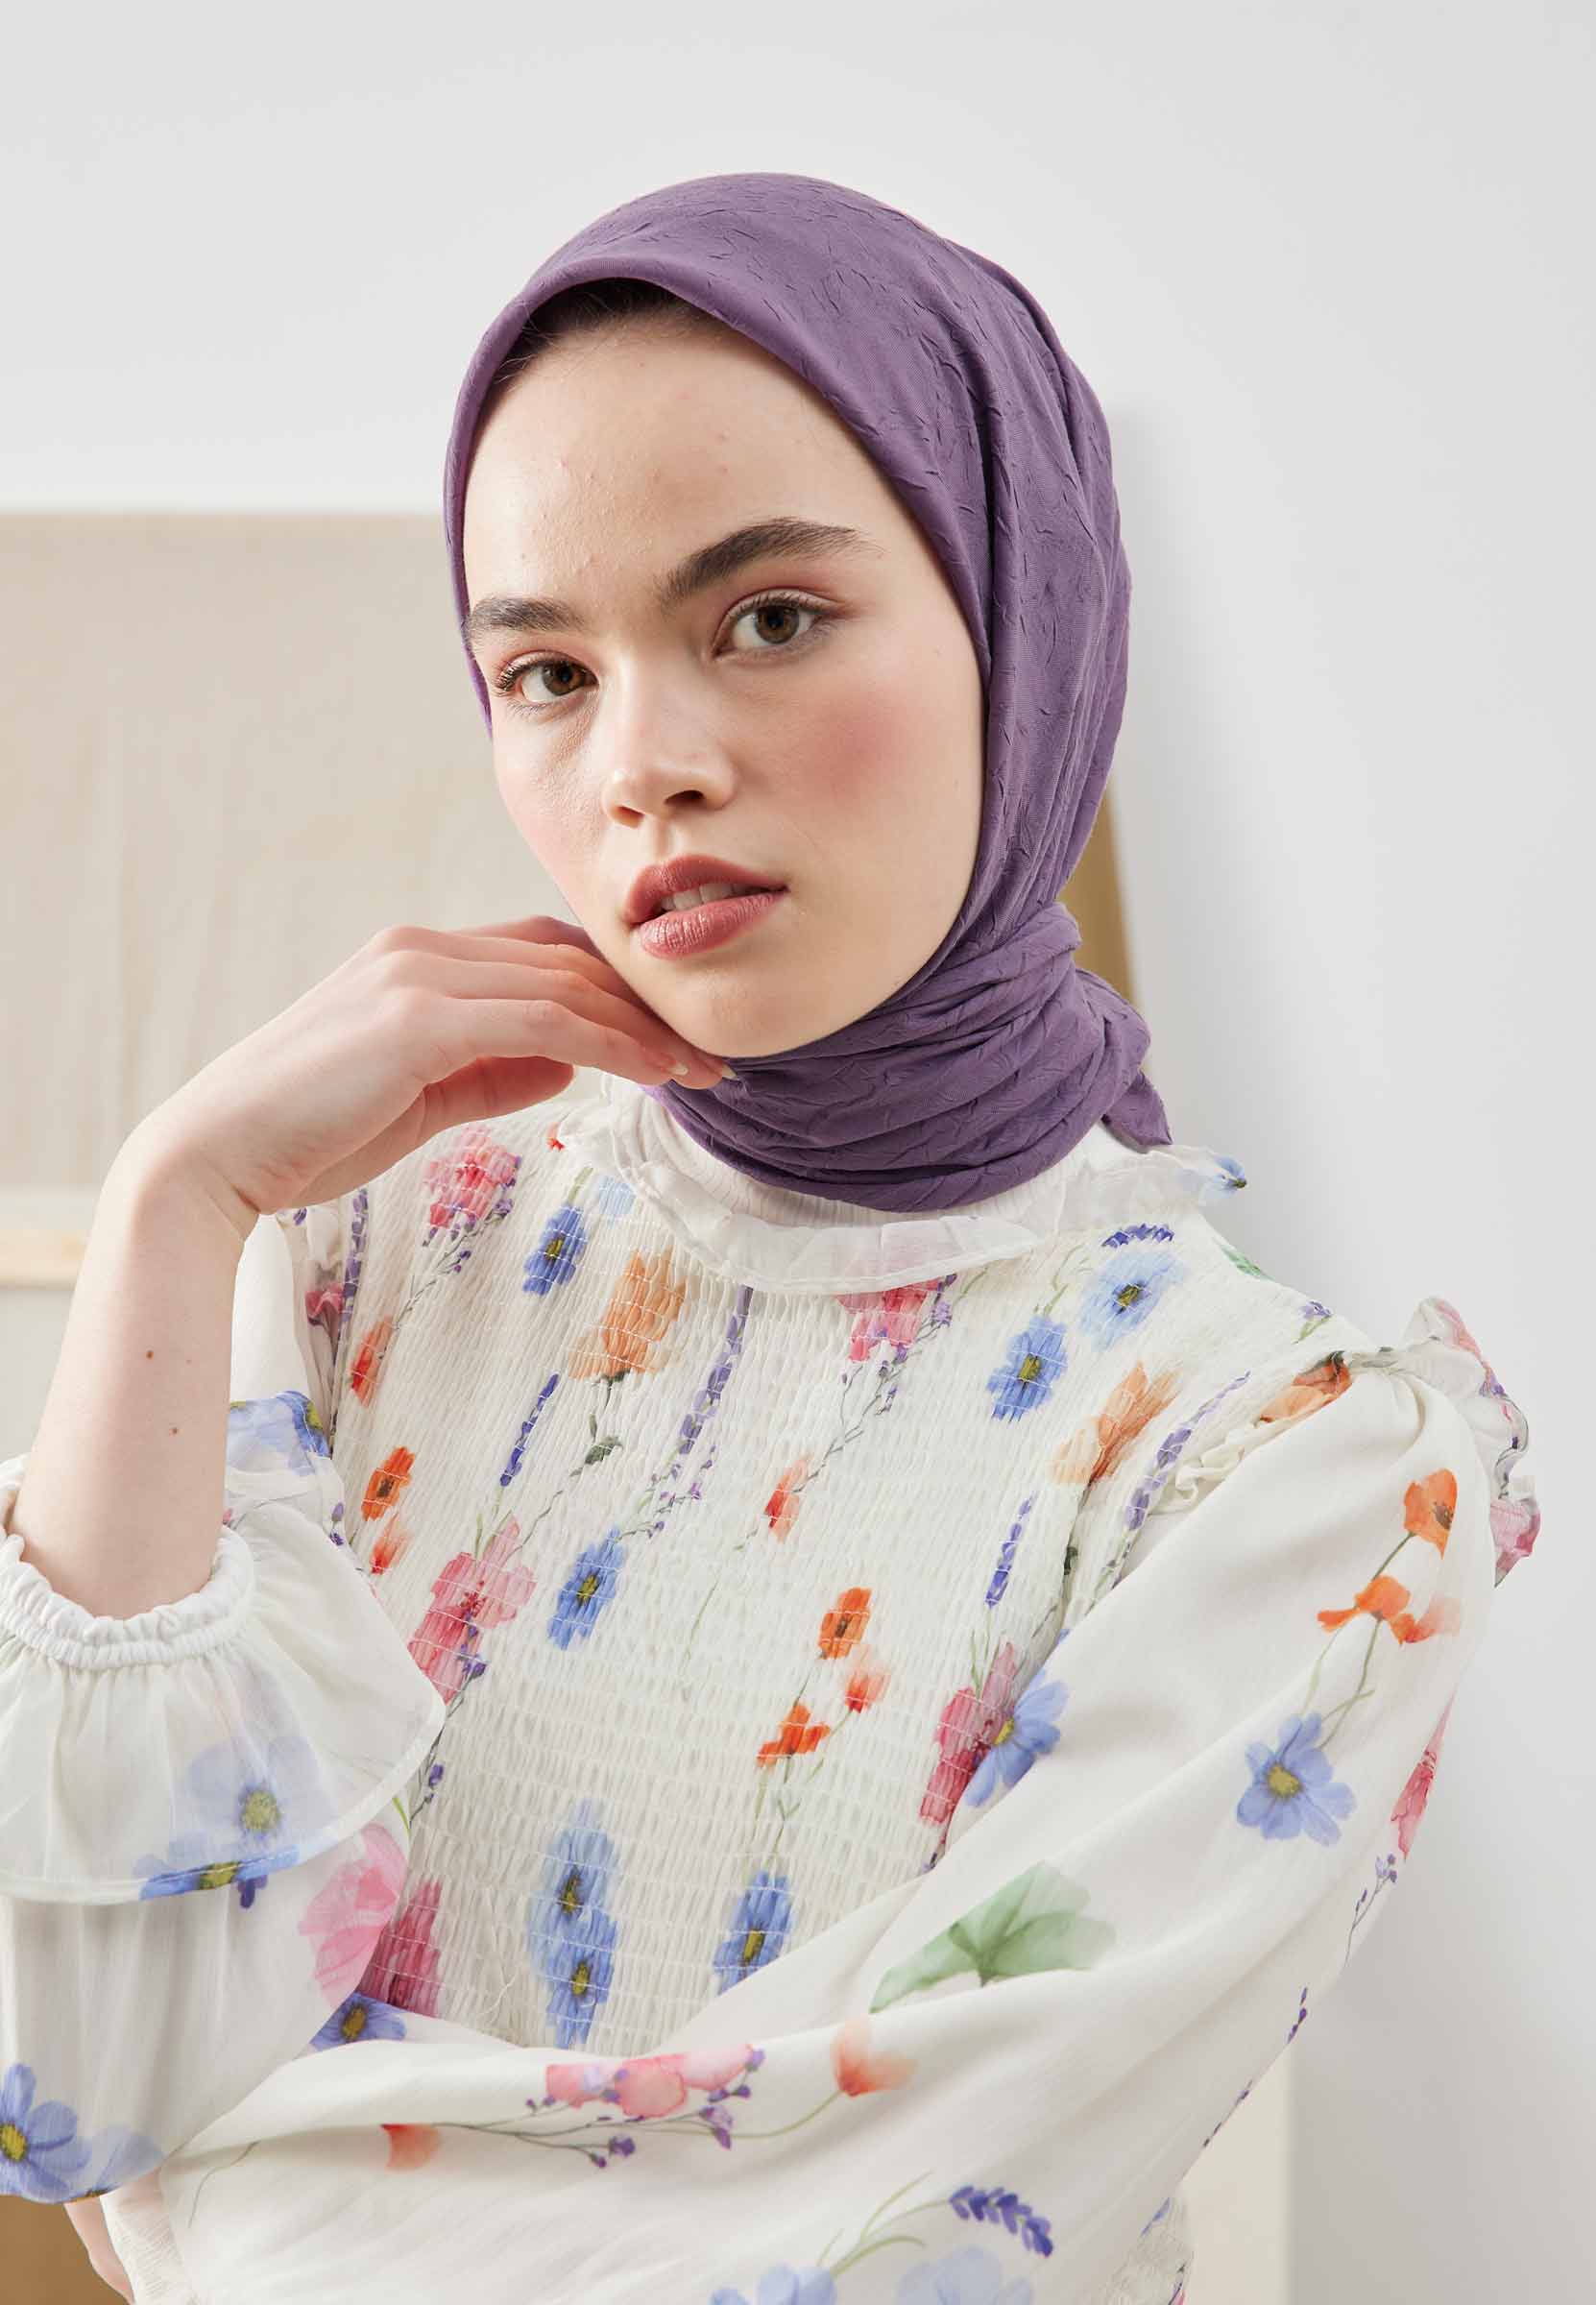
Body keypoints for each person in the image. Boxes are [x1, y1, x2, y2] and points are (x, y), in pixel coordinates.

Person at [2, 173, 1539, 2304]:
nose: (646, 766)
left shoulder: (1293, 1465)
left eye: (769, 621)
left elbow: (865, 2248)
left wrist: (228, 2192)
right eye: (546, 670)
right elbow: (71, 2076)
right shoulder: (360, 1269)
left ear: (1021, 616)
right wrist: (174, 1200)